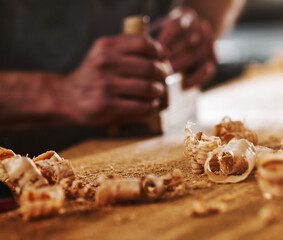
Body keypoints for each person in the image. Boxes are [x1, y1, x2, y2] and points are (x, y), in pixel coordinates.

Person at [0, 0, 243, 153]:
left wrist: (197, 20)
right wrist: (58, 93)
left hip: (145, 146)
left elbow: (209, 9)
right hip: (21, 174)